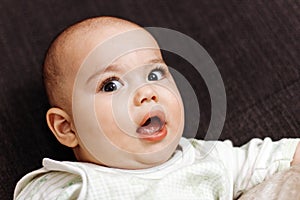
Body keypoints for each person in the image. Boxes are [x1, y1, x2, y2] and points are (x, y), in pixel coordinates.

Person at [13, 16, 300, 200]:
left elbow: (280, 157)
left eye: (154, 75)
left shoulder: (206, 158)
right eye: (111, 85)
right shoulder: (69, 187)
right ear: (67, 128)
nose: (147, 92)